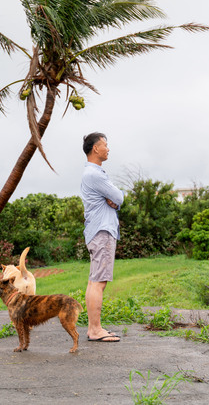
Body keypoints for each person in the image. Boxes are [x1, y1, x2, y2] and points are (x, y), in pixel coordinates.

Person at [81, 132, 124, 342]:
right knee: (99, 282)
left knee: (94, 281)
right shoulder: (95, 174)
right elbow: (118, 196)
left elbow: (114, 199)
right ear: (95, 149)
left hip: (96, 231)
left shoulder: (91, 173)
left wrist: (113, 200)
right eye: (105, 145)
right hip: (102, 231)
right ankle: (96, 330)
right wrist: (114, 200)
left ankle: (93, 328)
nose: (108, 149)